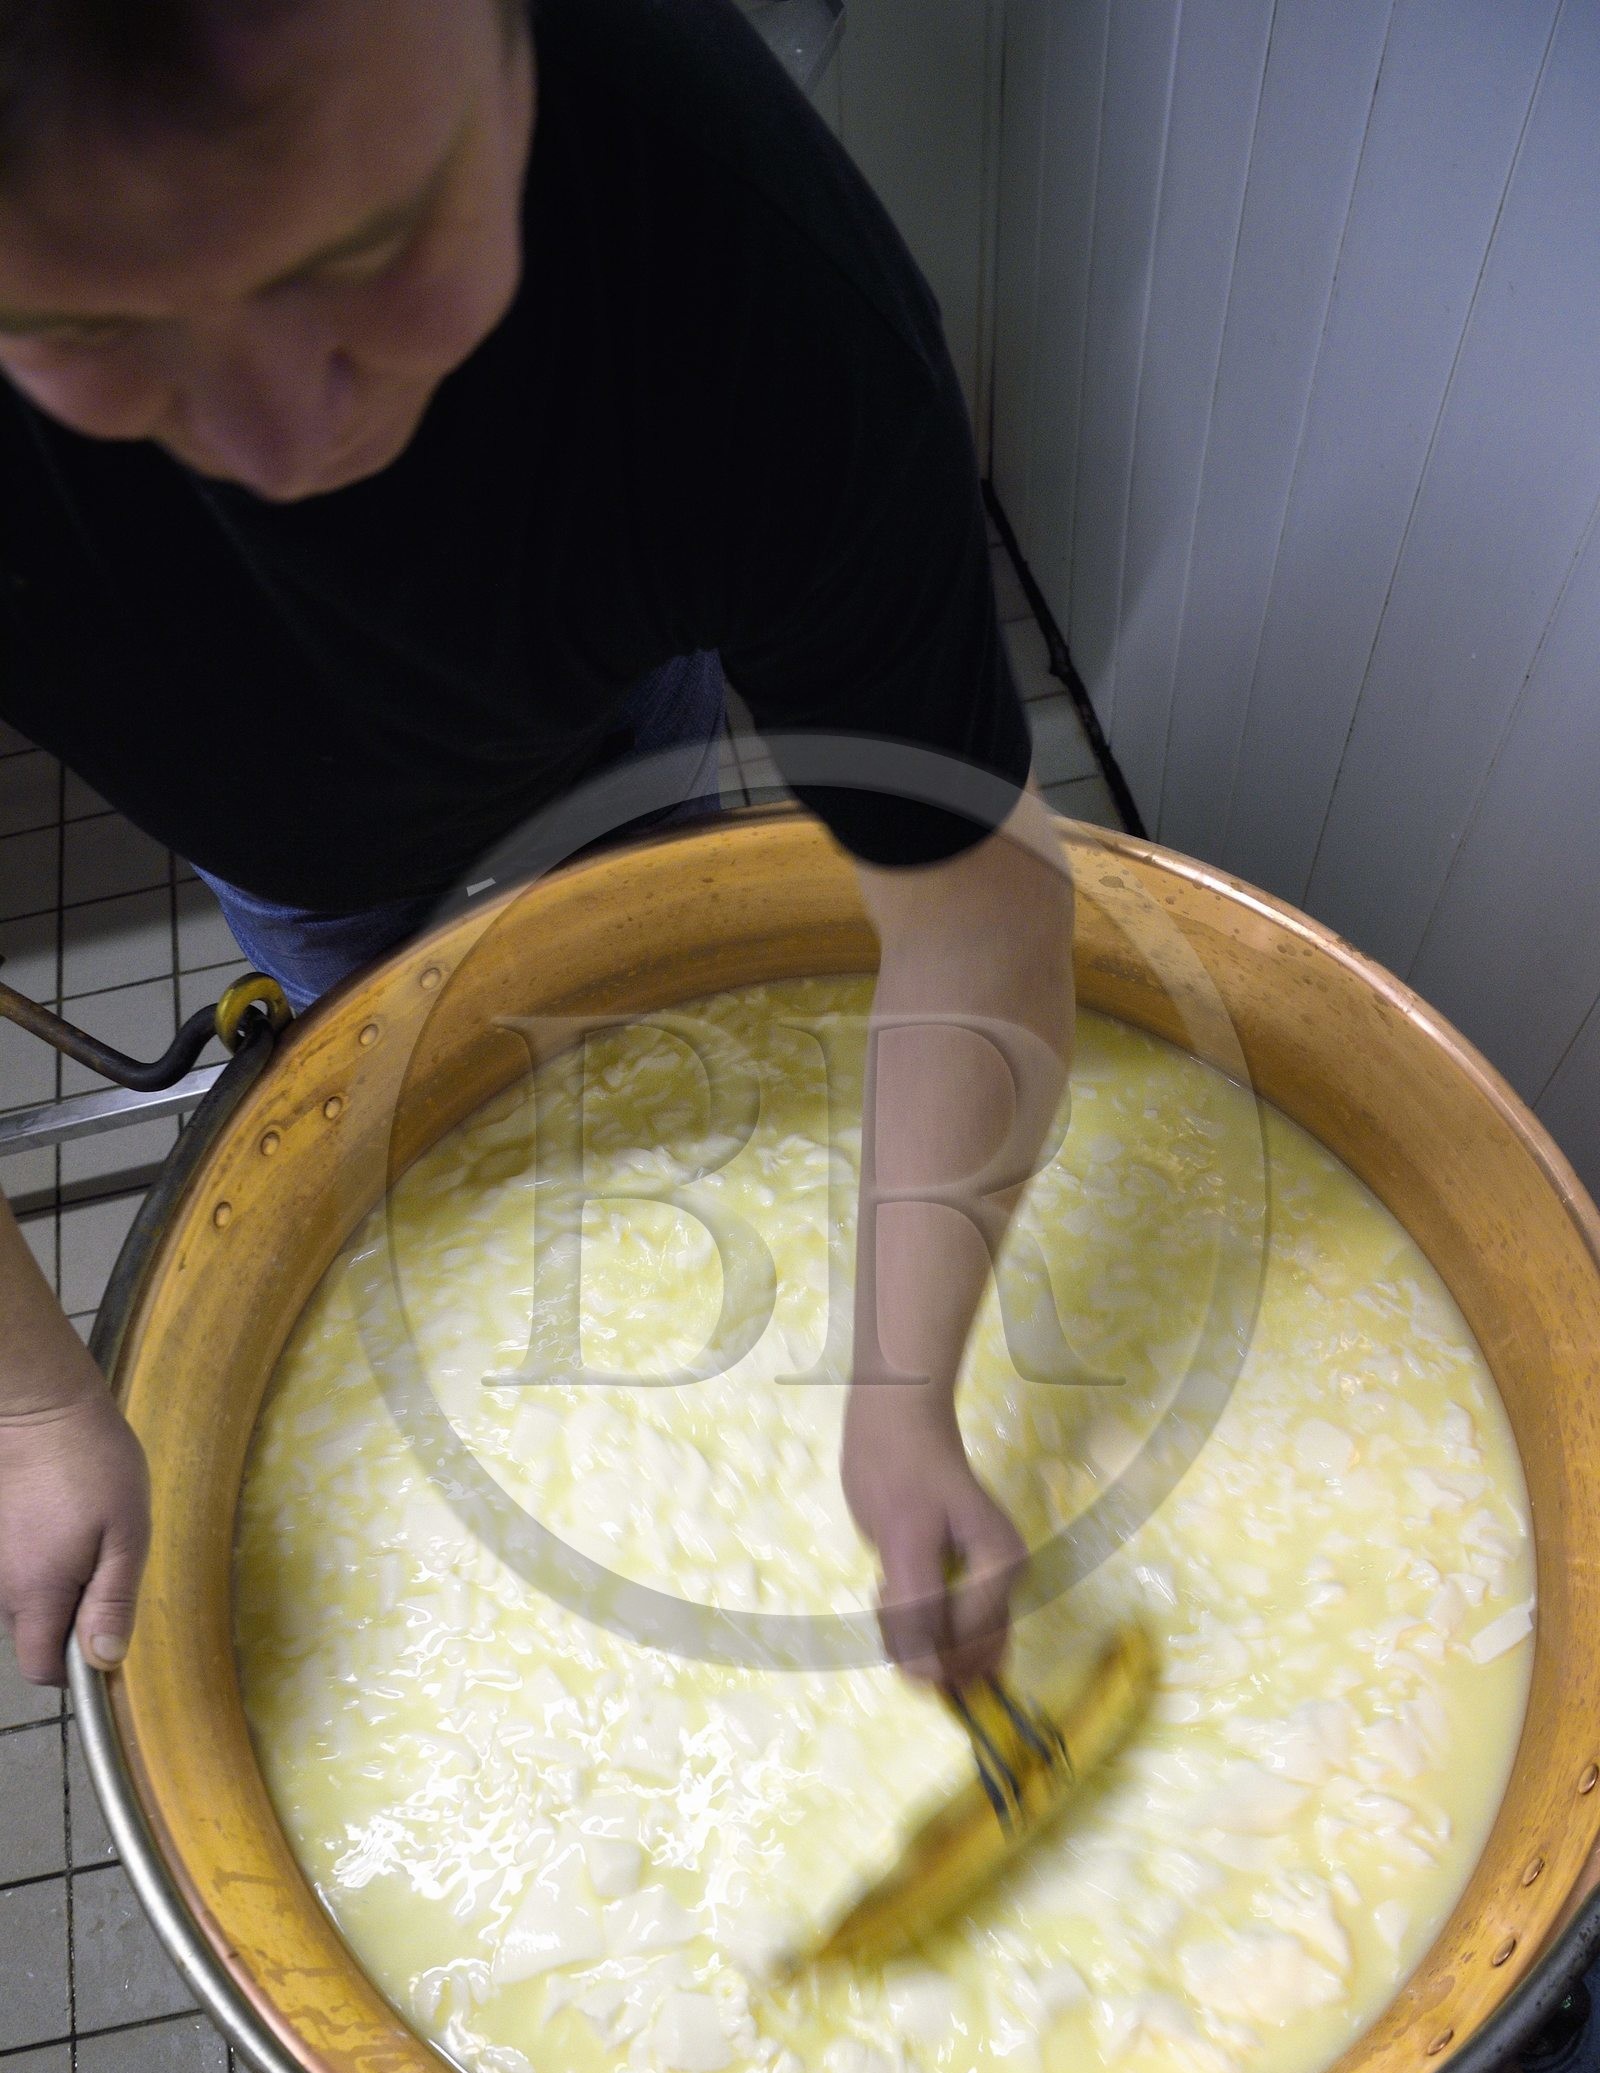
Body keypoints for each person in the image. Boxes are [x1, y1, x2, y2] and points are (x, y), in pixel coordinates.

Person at [0, 0, 1072, 1698]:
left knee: (657, 897)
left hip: (611, 703)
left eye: (371, 244)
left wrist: (902, 1389)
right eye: (80, 326)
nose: (281, 449)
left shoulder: (754, 285)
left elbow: (976, 915)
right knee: (384, 1026)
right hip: (289, 838)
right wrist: (35, 1405)